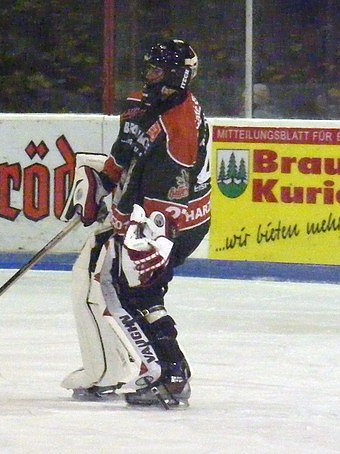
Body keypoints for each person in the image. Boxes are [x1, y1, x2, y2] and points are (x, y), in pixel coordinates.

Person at [60, 39, 212, 408]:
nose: (149, 76)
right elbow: (125, 151)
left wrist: (127, 228)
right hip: (152, 212)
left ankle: (168, 373)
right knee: (105, 283)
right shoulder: (146, 104)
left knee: (130, 290)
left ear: (176, 76)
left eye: (157, 70)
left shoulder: (180, 130)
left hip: (172, 223)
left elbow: (165, 202)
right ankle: (118, 370)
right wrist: (104, 180)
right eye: (149, 68)